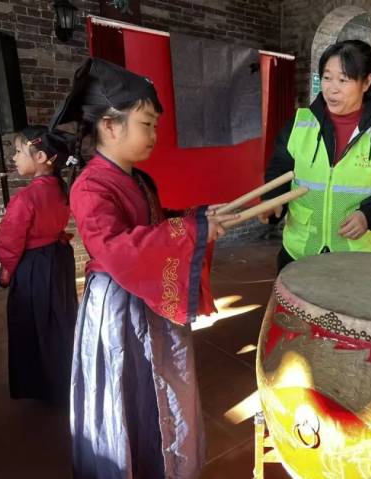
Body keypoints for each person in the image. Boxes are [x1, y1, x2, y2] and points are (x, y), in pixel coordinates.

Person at [50, 58, 238, 478]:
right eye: (146, 125)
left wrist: (200, 218)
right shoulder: (91, 186)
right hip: (119, 306)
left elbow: (156, 223)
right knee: (130, 388)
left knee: (159, 384)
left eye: (155, 125)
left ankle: (160, 461)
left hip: (145, 296)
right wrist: (192, 231)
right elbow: (117, 247)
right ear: (110, 126)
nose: (154, 135)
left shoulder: (136, 178)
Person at [259, 40, 371, 271]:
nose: (332, 89)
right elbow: (280, 171)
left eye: (343, 80)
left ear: (366, 82)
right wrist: (273, 201)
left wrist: (369, 216)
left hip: (357, 260)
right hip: (299, 253)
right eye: (327, 78)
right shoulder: (300, 123)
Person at [0, 126, 78, 406]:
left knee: (32, 320)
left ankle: (40, 385)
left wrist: (5, 273)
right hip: (58, 259)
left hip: (34, 267)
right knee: (59, 320)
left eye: (18, 151)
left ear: (41, 157)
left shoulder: (25, 198)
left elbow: (9, 244)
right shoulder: (63, 190)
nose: (14, 157)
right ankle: (66, 380)